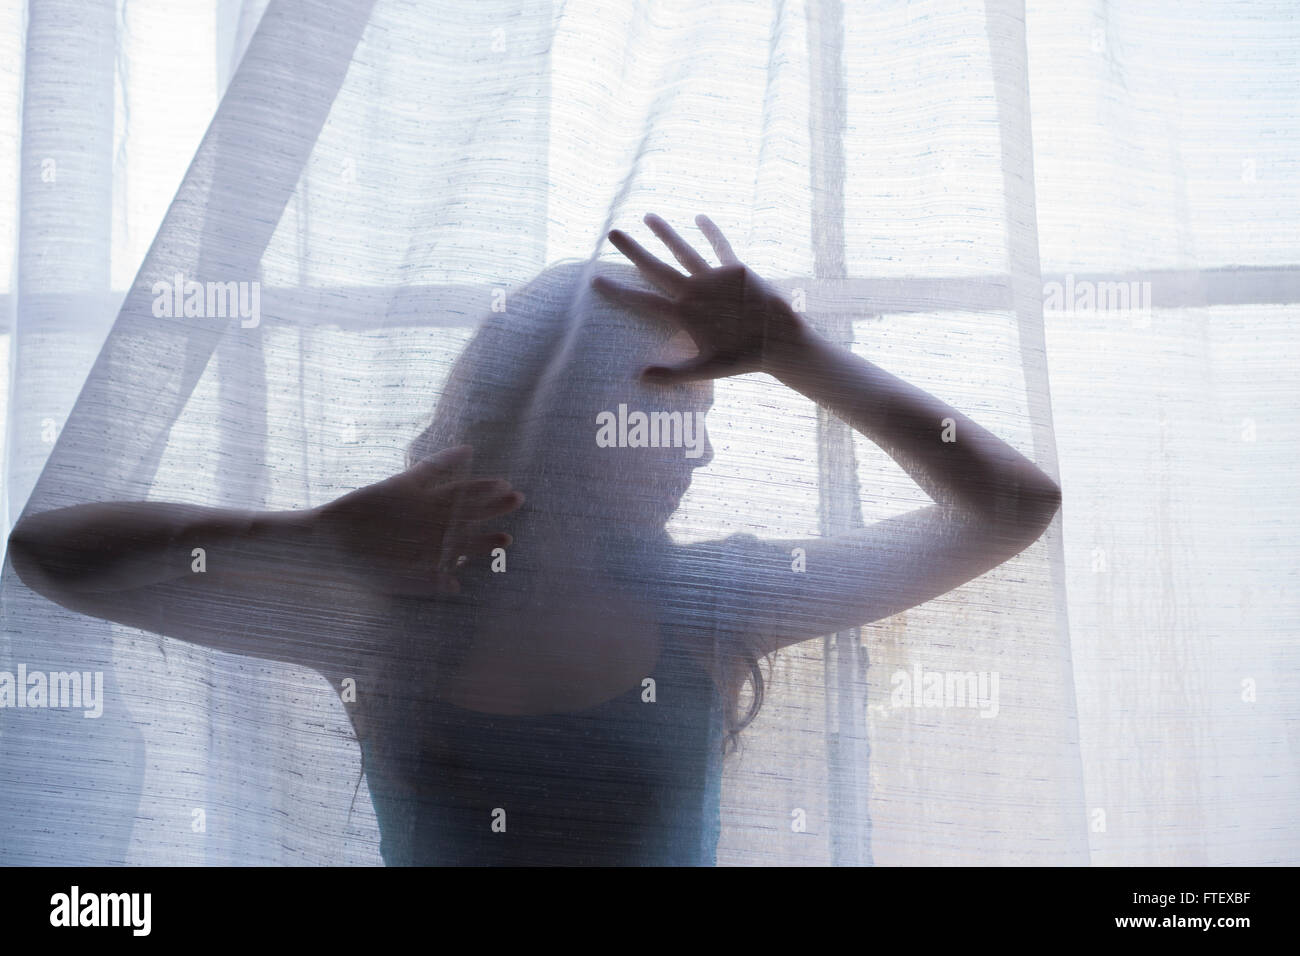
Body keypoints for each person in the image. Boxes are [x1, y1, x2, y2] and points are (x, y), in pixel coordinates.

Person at [6, 213, 1061, 865]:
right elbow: (46, 552)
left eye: (696, 423)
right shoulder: (389, 612)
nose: (689, 455)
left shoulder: (716, 601)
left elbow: (1008, 508)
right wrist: (311, 532)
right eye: (661, 417)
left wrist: (799, 352)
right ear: (560, 420)